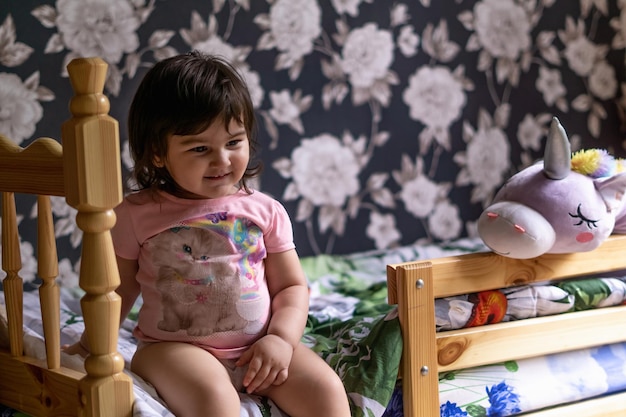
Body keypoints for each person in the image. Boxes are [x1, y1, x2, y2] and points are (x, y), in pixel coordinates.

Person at [65, 50, 351, 417]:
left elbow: (292, 288)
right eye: (200, 148)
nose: (222, 160)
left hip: (259, 345)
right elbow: (117, 290)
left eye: (234, 143)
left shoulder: (265, 212)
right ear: (156, 153)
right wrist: (93, 343)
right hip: (174, 350)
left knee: (327, 391)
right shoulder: (135, 214)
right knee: (215, 400)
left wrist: (280, 340)